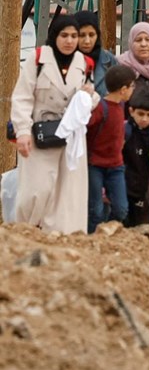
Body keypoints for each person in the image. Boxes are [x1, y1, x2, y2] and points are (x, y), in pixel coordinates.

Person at [10, 14, 99, 234]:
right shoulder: (38, 58)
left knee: (67, 192)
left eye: (74, 36)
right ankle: (25, 231)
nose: (70, 41)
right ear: (54, 36)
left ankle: (63, 236)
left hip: (71, 138)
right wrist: (22, 131)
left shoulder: (85, 63)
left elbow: (93, 99)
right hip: (39, 134)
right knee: (35, 190)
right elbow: (22, 97)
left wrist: (89, 96)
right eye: (64, 35)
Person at [86, 65, 136, 233]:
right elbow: (86, 128)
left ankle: (106, 234)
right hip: (95, 166)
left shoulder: (121, 107)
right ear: (123, 89)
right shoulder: (100, 108)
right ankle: (92, 241)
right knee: (96, 210)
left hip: (116, 166)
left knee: (121, 208)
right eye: (132, 86)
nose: (133, 90)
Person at [122, 87, 149, 227]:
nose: (145, 119)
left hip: (142, 188)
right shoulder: (125, 131)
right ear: (131, 111)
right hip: (123, 184)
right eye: (141, 114)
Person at [117, 21, 149, 98]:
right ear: (131, 42)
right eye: (138, 40)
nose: (143, 44)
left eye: (148, 39)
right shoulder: (119, 66)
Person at [75, 11, 117, 96]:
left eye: (91, 35)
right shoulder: (64, 59)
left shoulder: (108, 60)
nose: (87, 41)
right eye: (82, 35)